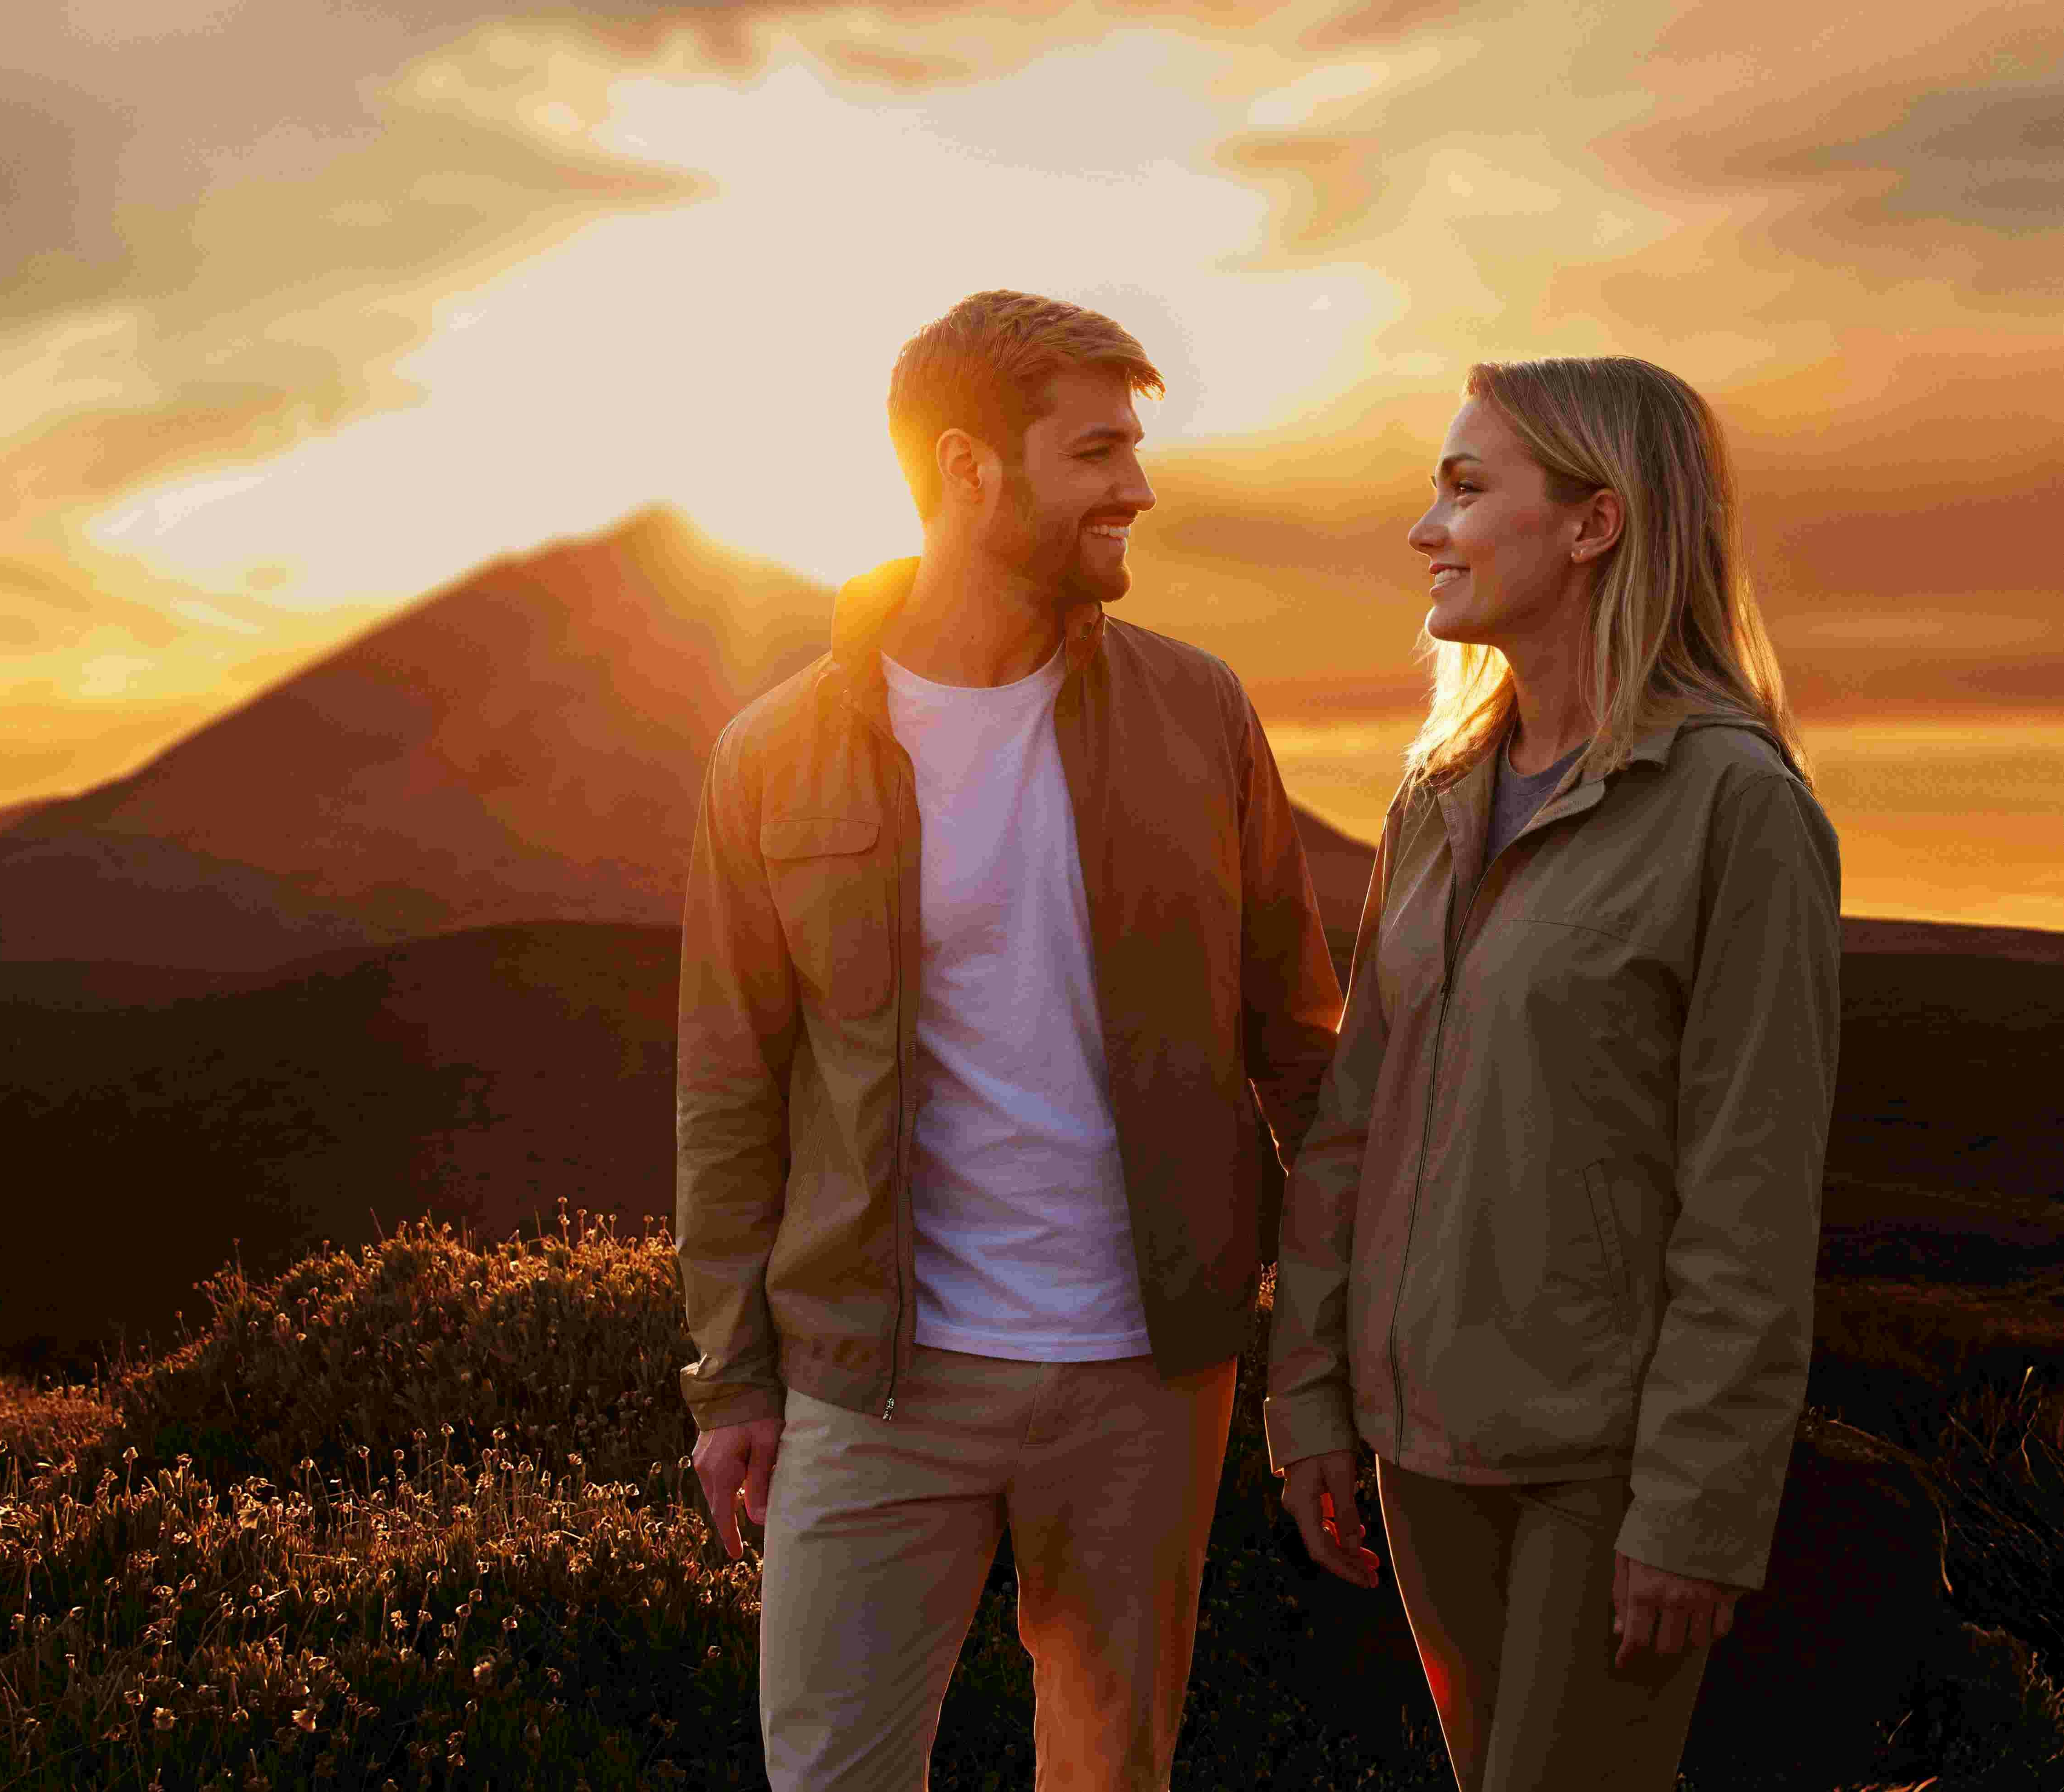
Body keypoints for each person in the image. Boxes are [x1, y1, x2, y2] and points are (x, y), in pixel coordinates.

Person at [674, 289, 1343, 1789]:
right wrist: (731, 1384)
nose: (1138, 489)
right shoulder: (770, 757)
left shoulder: (1199, 713)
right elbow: (730, 1089)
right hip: (869, 1379)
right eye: (1097, 449)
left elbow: (1302, 1053)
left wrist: (1321, 1358)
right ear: (968, 471)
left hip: (1147, 1381)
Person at [1264, 355, 1843, 1792]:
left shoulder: (1736, 808)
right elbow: (1355, 1129)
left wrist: (1694, 1510)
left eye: (1465, 489)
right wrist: (1311, 1397)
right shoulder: (1434, 796)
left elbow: (1748, 1197)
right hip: (1420, 1456)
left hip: (1602, 1468)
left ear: (1593, 525)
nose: (1424, 530)